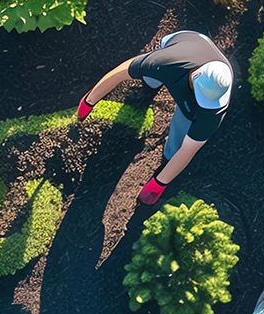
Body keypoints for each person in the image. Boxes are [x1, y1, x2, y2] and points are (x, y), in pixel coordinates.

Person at [76, 30, 233, 205]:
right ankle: (149, 86)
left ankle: (168, 158)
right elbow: (120, 72)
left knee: (181, 134)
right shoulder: (167, 62)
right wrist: (90, 100)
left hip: (189, 87)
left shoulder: (212, 111)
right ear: (194, 77)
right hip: (183, 42)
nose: (201, 101)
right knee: (151, 77)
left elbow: (189, 149)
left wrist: (160, 183)